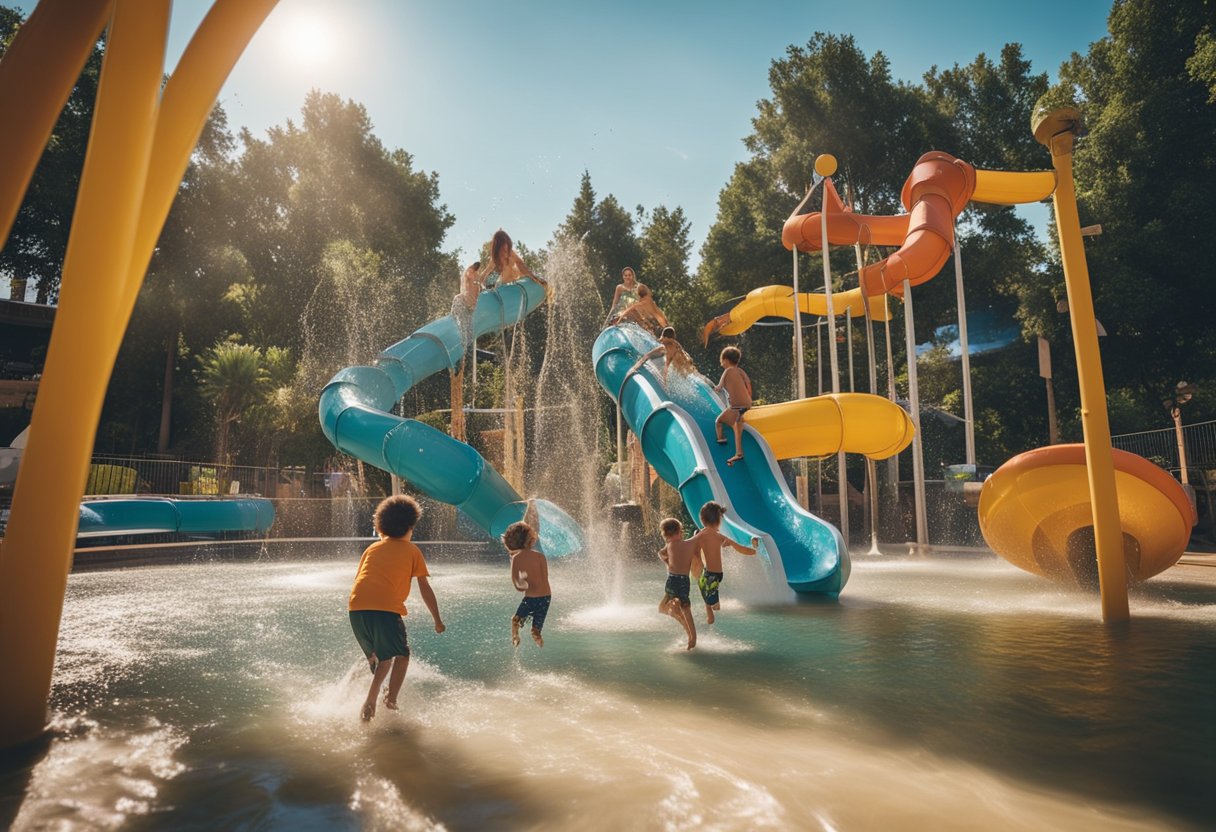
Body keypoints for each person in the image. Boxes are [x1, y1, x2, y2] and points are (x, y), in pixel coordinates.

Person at [348, 494, 445, 722]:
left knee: (377, 658)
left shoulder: (371, 549)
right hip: (385, 610)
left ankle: (346, 694)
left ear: (381, 526)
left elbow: (361, 580)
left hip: (356, 608)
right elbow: (425, 588)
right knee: (401, 655)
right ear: (409, 527)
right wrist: (437, 620)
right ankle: (384, 701)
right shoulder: (412, 551)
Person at [691, 501, 758, 625]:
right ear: (719, 520)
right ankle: (709, 614)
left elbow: (689, 547)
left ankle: (710, 612)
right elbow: (739, 548)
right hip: (715, 575)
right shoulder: (719, 536)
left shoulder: (700, 536)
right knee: (704, 588)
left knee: (711, 601)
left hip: (711, 576)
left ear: (702, 519)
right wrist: (754, 552)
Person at [504, 500, 551, 648]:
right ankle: (537, 634)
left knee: (515, 619)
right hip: (546, 598)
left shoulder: (516, 559)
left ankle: (515, 637)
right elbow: (545, 579)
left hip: (530, 598)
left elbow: (519, 587)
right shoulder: (540, 557)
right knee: (536, 628)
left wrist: (523, 581)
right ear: (531, 539)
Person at [657, 517, 698, 650]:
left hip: (676, 580)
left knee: (679, 607)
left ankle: (692, 637)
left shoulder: (678, 544)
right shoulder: (676, 544)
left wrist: (667, 562)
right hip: (677, 580)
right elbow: (661, 553)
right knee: (674, 607)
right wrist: (668, 562)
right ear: (679, 531)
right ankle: (690, 633)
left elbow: (661, 553)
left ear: (666, 534)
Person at [713, 345, 753, 466]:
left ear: (725, 360)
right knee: (737, 425)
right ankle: (738, 452)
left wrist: (712, 387)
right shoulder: (740, 371)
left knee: (718, 422)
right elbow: (748, 383)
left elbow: (718, 388)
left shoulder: (727, 372)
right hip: (746, 403)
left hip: (736, 405)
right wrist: (748, 397)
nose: (721, 363)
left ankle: (721, 440)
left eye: (722, 360)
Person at [623, 326, 698, 387]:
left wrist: (634, 368)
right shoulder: (676, 344)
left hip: (682, 368)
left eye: (663, 336)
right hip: (687, 367)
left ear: (666, 337)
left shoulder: (665, 347)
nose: (661, 338)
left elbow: (647, 356)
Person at [478, 229, 548, 288]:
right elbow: (483, 277)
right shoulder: (494, 260)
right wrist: (481, 284)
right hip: (503, 287)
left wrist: (534, 277)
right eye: (503, 250)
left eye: (507, 248)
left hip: (515, 284)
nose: (505, 253)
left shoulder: (510, 253)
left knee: (518, 271)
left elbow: (521, 265)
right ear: (498, 248)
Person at [451, 261, 483, 371]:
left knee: (468, 337)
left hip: (467, 307)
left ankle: (463, 364)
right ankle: (457, 363)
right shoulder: (470, 272)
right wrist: (477, 282)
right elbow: (470, 280)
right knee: (462, 335)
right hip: (461, 303)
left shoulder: (475, 276)